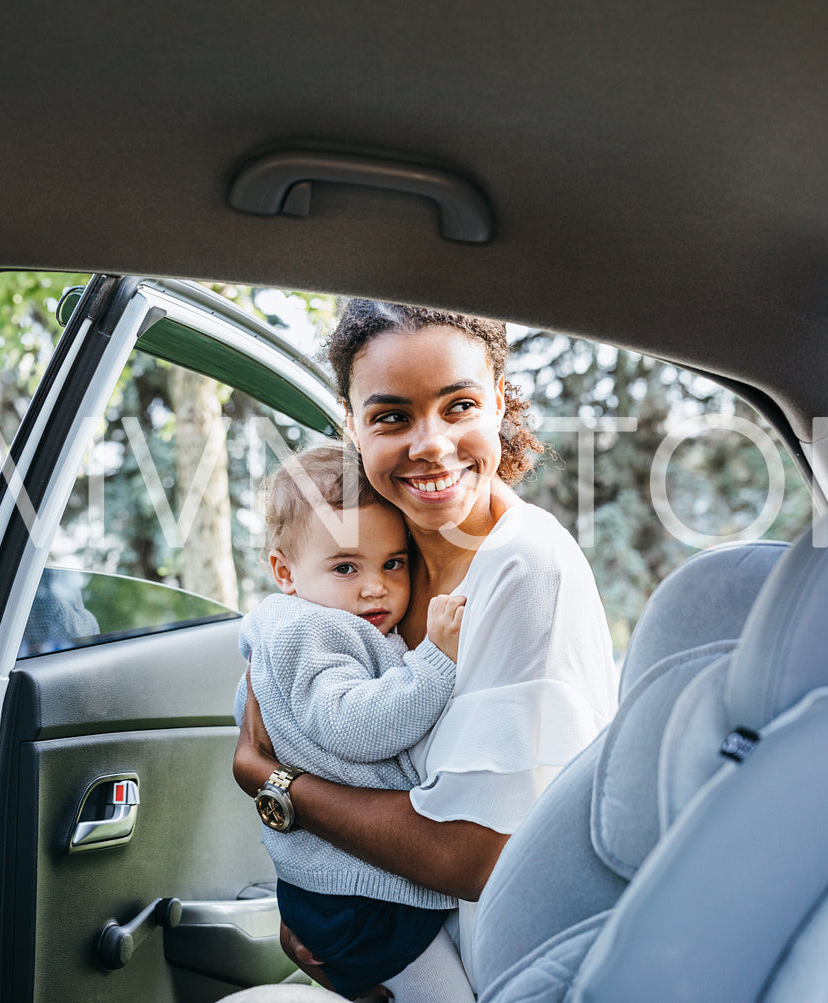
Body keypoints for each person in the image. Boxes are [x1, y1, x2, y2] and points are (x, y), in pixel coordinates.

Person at [235, 300, 618, 996]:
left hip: (506, 966)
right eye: (391, 416)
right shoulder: (390, 552)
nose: (431, 445)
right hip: (395, 942)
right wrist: (324, 914)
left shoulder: (526, 568)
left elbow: (470, 854)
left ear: (498, 402)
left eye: (459, 405)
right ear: (351, 424)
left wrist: (272, 782)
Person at [234, 443, 471, 999]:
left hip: (340, 886)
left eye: (393, 563)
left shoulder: (312, 625)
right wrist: (435, 663)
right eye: (346, 567)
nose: (375, 586)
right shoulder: (311, 630)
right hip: (356, 897)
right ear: (284, 571)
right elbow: (355, 728)